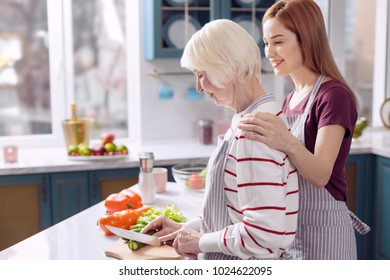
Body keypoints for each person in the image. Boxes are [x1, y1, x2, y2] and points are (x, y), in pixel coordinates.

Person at [141, 19, 299, 260]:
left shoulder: (254, 130)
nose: (199, 87)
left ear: (227, 66)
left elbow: (263, 234)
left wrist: (200, 242)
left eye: (201, 74)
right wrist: (187, 229)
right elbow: (233, 210)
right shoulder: (249, 117)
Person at [238, 0, 370, 260]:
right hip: (291, 228)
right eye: (266, 43)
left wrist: (283, 139)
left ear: (306, 39)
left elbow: (321, 174)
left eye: (278, 42)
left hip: (325, 230)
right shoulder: (291, 98)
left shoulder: (333, 95)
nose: (269, 52)